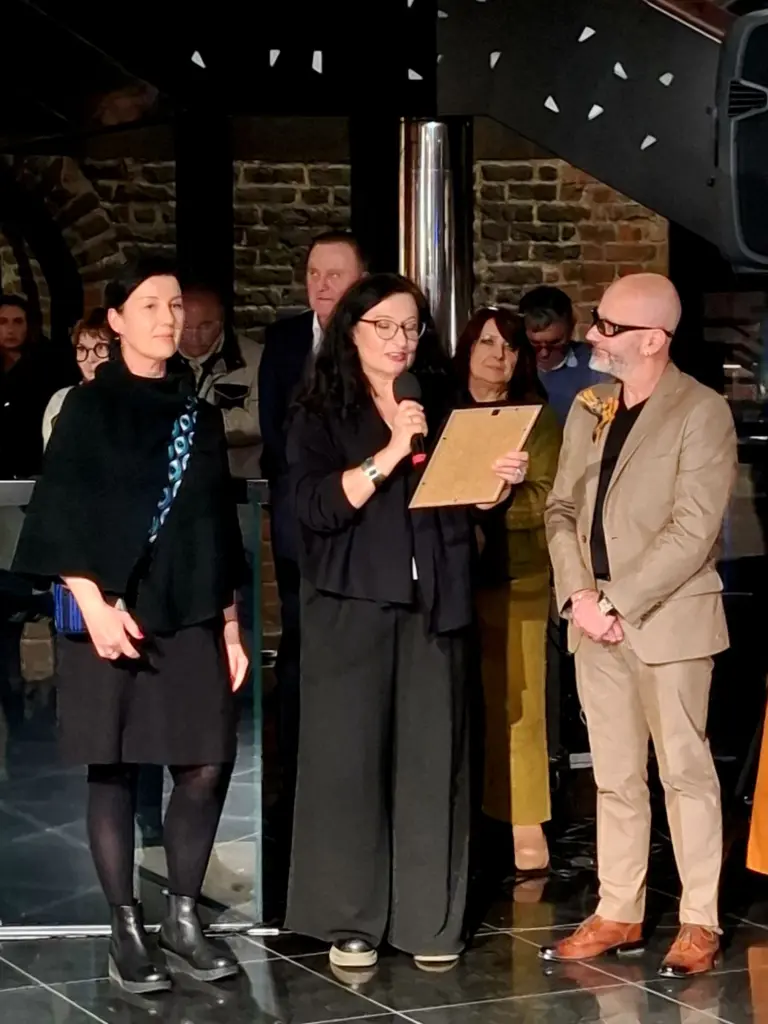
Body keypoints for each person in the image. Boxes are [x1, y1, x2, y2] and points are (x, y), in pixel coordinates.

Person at [12, 257, 249, 994]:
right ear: (115, 321)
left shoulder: (198, 414)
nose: (167, 318)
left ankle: (182, 915)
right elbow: (59, 516)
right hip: (108, 610)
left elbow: (215, 527)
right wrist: (91, 606)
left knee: (205, 762)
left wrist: (230, 626)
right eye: (150, 306)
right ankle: (125, 926)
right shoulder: (87, 410)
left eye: (175, 305)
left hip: (191, 608)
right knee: (114, 765)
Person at [285, 273, 530, 970]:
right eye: (384, 326)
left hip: (435, 599)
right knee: (350, 760)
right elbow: (315, 508)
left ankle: (429, 920)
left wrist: (495, 486)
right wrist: (390, 450)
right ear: (351, 331)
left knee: (432, 760)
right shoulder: (319, 409)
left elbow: (463, 498)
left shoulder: (439, 397)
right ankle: (350, 920)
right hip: (352, 602)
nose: (400, 341)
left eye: (411, 327)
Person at [542, 273, 737, 978]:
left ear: (654, 340)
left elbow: (692, 531)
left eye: (609, 325)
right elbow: (561, 508)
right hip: (592, 621)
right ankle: (618, 909)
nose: (593, 335)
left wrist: (618, 602)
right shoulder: (590, 404)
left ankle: (699, 919)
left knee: (685, 774)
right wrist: (580, 597)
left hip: (667, 623)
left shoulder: (702, 411)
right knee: (616, 777)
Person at [258, 231, 365, 831]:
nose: (321, 286)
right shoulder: (285, 340)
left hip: (365, 521)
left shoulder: (377, 339)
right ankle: (297, 776)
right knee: (300, 643)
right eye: (313, 274)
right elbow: (276, 433)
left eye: (335, 274)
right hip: (300, 517)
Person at [455, 306, 560, 877]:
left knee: (520, 705)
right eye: (488, 343)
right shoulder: (441, 408)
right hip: (445, 577)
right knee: (455, 700)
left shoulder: (537, 418)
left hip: (518, 574)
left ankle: (525, 819)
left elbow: (548, 499)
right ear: (467, 348)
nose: (499, 355)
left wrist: (485, 506)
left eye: (511, 346)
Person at [173, 284, 263, 480]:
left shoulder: (256, 359)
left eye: (205, 325)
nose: (195, 335)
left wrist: (194, 426)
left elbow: (260, 421)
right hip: (172, 477)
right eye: (186, 327)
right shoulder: (158, 359)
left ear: (221, 321)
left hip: (235, 477)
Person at [0, 294, 77, 479]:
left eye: (18, 322)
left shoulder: (49, 364)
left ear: (28, 325)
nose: (10, 329)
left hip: (35, 464)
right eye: (3, 322)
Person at [519, 286, 608, 425]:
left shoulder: (594, 365)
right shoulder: (512, 364)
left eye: (555, 343)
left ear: (571, 327)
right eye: (535, 343)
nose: (544, 353)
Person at [42, 308, 112, 446]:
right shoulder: (61, 400)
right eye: (82, 349)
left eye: (100, 348)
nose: (90, 359)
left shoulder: (131, 398)